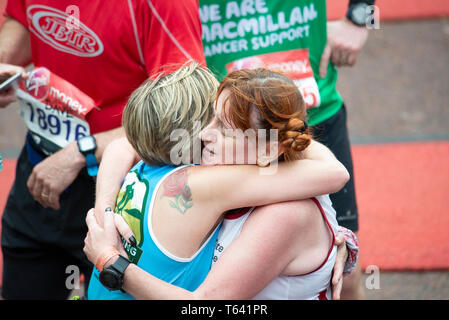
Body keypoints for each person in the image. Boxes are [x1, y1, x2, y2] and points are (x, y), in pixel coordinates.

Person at [84, 64, 355, 300]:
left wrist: (110, 261)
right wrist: (104, 214)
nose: (204, 133)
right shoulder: (230, 170)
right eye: (211, 117)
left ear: (268, 150)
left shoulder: (285, 212)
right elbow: (123, 145)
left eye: (224, 129)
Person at [0, 0, 206, 299]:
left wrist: (79, 152)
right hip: (41, 169)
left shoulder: (163, 5)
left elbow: (182, 117)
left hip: (123, 185)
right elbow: (21, 32)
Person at [198, 0, 375, 299]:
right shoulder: (211, 131)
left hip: (309, 111)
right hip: (227, 115)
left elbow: (335, 174)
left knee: (342, 269)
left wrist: (360, 16)